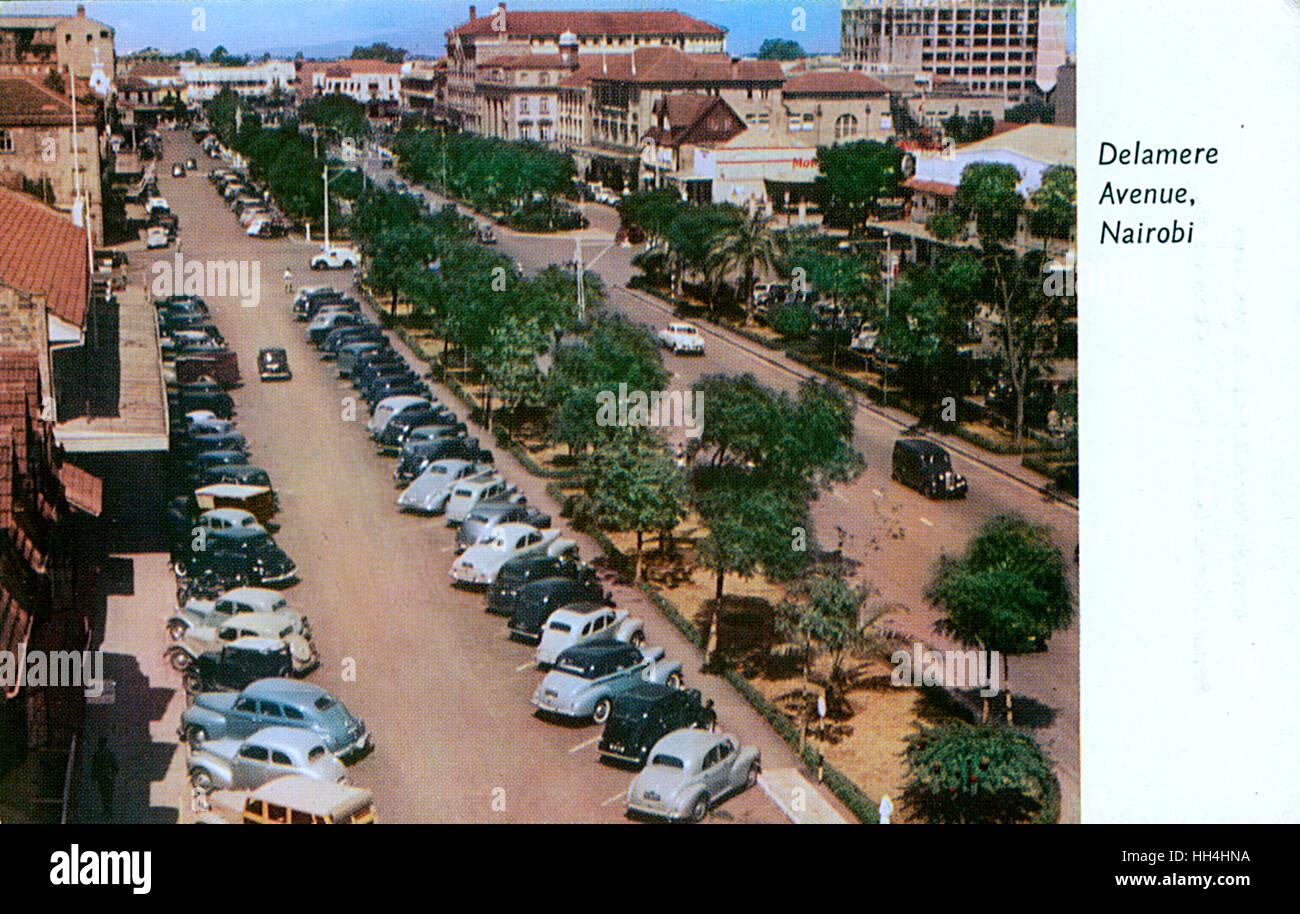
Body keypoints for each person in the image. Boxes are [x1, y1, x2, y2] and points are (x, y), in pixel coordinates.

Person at [89, 736, 119, 820]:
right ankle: (109, 810)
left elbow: (94, 767)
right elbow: (115, 765)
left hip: (100, 777)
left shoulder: (96, 754)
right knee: (109, 794)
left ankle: (106, 809)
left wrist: (93, 777)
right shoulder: (109, 753)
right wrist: (114, 774)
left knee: (103, 793)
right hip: (109, 777)